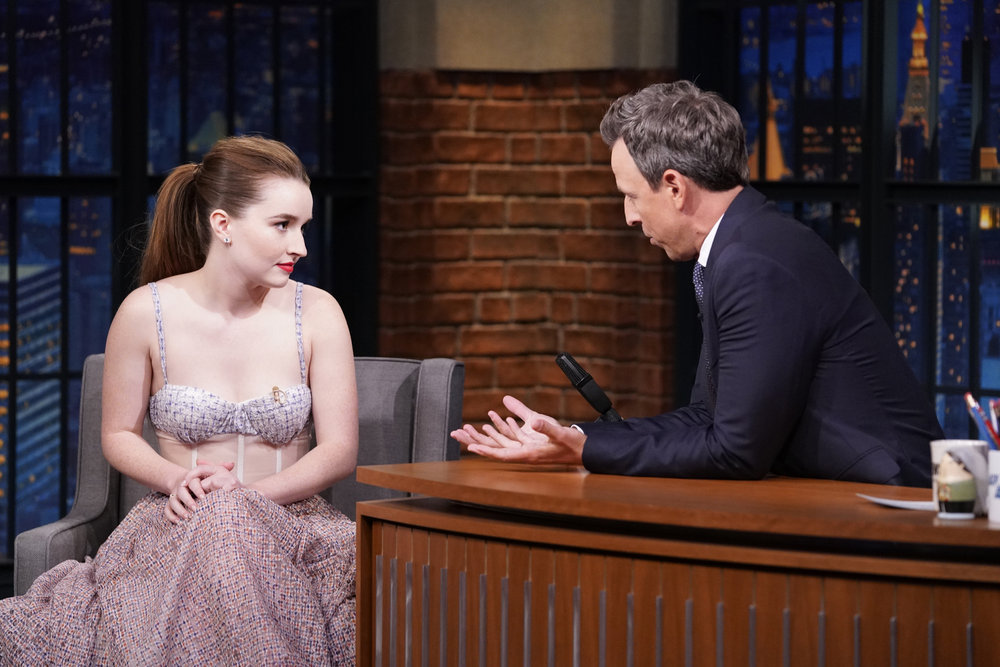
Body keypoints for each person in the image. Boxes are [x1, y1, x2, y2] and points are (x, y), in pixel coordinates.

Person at [453, 81, 942, 487]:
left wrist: (585, 452)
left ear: (674, 187)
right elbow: (706, 419)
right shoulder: (738, 246)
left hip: (894, 511)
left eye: (630, 196)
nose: (628, 217)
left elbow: (735, 451)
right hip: (842, 498)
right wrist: (575, 438)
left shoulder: (754, 261)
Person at [0, 136, 359, 664]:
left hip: (293, 525)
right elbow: (117, 434)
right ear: (223, 224)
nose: (300, 246)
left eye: (303, 226)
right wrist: (176, 480)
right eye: (283, 225)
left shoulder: (319, 311)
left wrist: (245, 499)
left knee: (228, 520)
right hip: (177, 524)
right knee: (215, 528)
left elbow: (340, 449)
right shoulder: (145, 311)